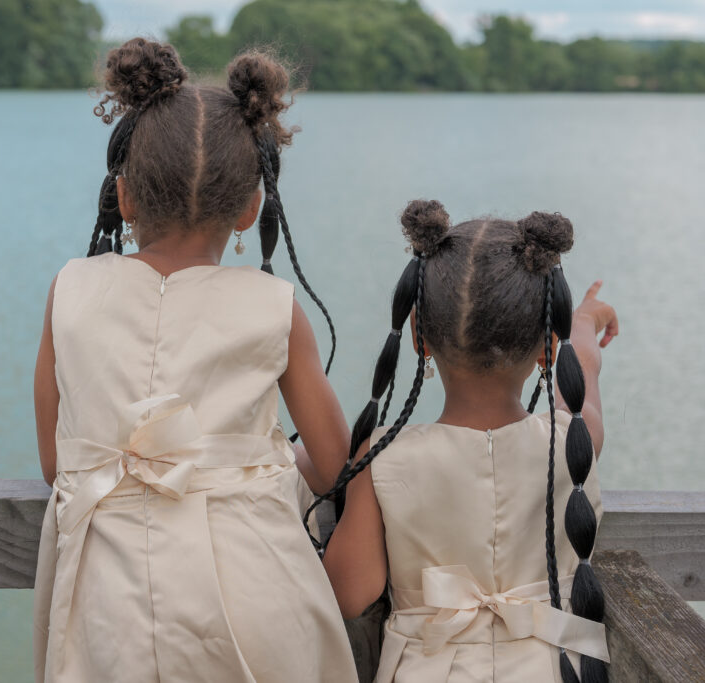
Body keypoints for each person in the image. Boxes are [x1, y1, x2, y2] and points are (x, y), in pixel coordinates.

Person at [32, 38, 358, 683]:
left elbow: (55, 464)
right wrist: (254, 457)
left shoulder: (70, 288)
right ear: (250, 210)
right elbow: (332, 467)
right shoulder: (273, 305)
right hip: (255, 587)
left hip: (109, 603)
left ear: (124, 197)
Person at [321, 200, 619, 682]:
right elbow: (582, 371)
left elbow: (350, 593)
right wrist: (582, 323)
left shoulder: (382, 458)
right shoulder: (573, 441)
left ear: (418, 335)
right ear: (548, 345)